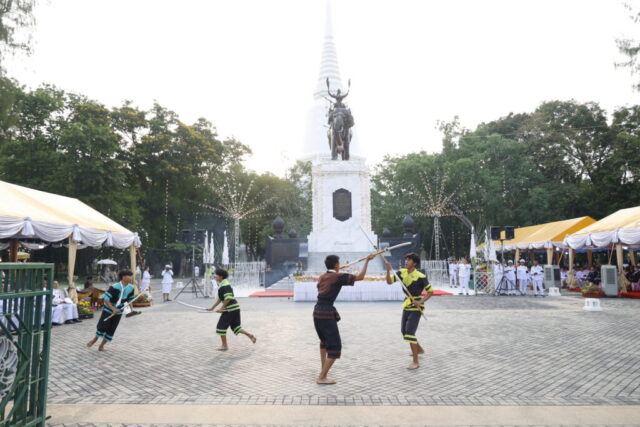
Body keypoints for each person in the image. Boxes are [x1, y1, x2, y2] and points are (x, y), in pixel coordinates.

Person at [313, 252, 376, 384]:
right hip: (326, 313)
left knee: (324, 342)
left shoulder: (323, 276)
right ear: (336, 265)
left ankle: (323, 370)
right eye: (338, 264)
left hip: (317, 312)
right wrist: (367, 261)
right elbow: (360, 277)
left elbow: (332, 276)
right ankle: (322, 377)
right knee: (335, 346)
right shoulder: (338, 276)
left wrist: (337, 270)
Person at [384, 252, 433, 370]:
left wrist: (420, 302)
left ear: (414, 263)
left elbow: (431, 292)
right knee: (404, 331)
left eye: (409, 260)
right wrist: (388, 271)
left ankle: (416, 361)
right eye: (406, 260)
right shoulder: (401, 272)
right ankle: (419, 349)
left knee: (410, 332)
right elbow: (389, 282)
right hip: (407, 305)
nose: (406, 262)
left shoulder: (420, 276)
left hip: (416, 307)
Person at [207, 268, 256, 350]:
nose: (215, 277)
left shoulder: (225, 285)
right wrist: (212, 307)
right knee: (235, 327)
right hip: (234, 308)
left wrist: (221, 308)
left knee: (221, 326)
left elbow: (228, 298)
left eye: (216, 275)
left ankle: (224, 346)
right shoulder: (223, 284)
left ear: (221, 276)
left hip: (230, 309)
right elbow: (220, 299)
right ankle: (250, 335)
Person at [86, 270, 136, 351]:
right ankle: (94, 340)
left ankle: (101, 346)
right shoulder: (115, 287)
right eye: (129, 276)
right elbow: (106, 299)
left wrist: (131, 310)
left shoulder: (131, 288)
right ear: (123, 277)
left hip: (119, 311)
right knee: (103, 326)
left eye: (131, 276)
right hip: (109, 309)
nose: (131, 277)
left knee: (112, 329)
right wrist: (113, 309)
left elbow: (130, 300)